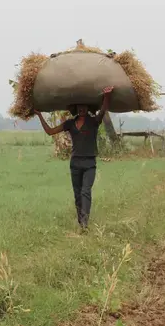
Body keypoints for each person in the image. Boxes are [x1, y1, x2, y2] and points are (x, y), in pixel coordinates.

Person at [35, 86, 114, 229]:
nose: (82, 108)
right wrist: (39, 115)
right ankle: (80, 220)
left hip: (89, 163)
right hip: (75, 163)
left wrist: (107, 96)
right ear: (76, 108)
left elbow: (103, 110)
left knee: (85, 191)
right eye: (79, 106)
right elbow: (50, 131)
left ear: (88, 108)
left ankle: (84, 223)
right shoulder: (69, 124)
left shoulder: (94, 121)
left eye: (84, 106)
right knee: (77, 194)